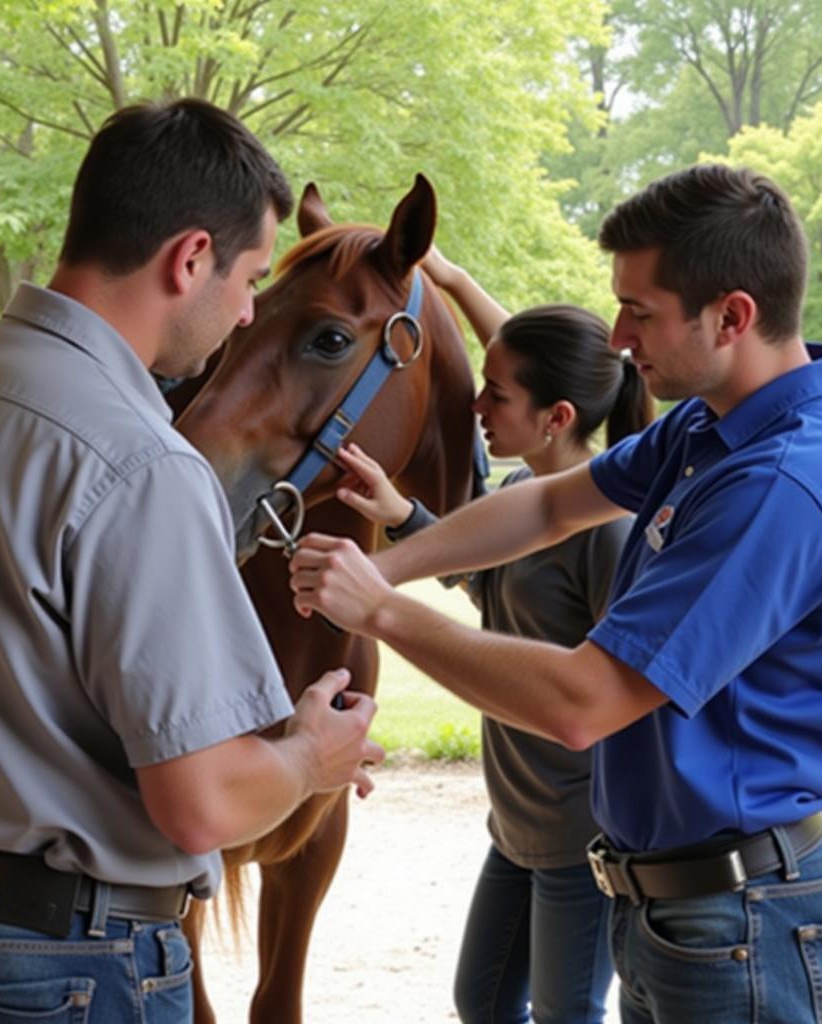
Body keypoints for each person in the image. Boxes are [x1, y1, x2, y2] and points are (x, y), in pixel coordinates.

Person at [288, 164, 822, 1023]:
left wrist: (383, 612)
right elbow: (546, 505)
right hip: (686, 906)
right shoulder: (713, 425)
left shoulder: (780, 484)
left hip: (743, 923)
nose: (617, 336)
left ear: (732, 316)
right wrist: (384, 566)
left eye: (640, 311)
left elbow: (585, 702)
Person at [0, 98, 383, 1024]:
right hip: (74, 966)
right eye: (247, 278)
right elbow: (200, 806)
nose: (247, 312)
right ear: (188, 257)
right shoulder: (141, 460)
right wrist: (311, 756)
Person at [332, 249, 653, 1023]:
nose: (477, 406)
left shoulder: (609, 531)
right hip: (517, 824)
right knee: (481, 1001)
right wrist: (401, 515)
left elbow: (626, 696)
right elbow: (490, 580)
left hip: (584, 838)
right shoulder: (518, 492)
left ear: (557, 417)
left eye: (496, 395)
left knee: (564, 1012)